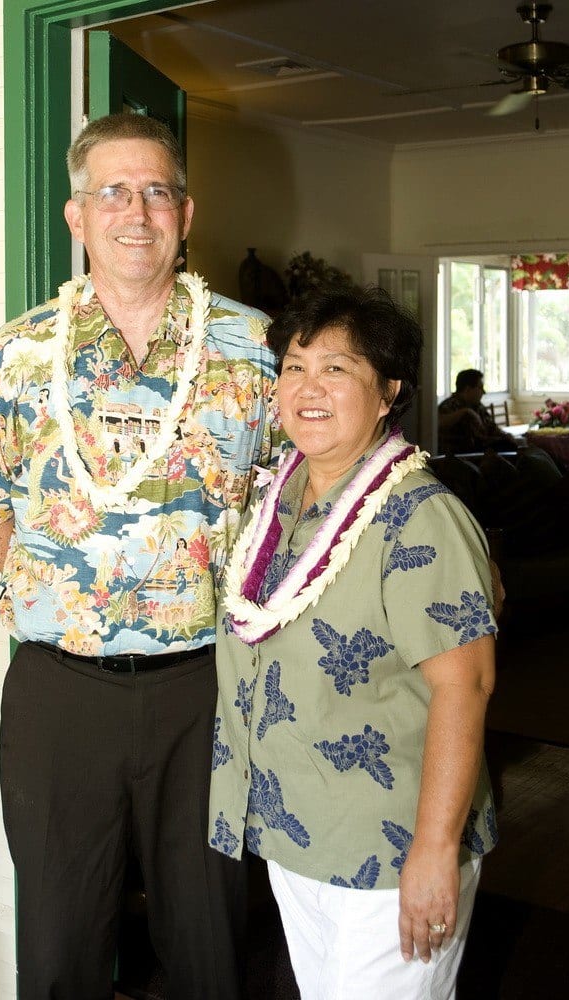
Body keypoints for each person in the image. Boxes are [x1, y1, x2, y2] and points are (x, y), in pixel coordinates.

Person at [0, 113, 282, 1000]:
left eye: (154, 191)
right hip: (60, 691)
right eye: (112, 191)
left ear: (187, 210)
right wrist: (62, 588)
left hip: (204, 685)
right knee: (61, 939)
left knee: (208, 931)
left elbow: (291, 497)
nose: (134, 212)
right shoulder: (19, 351)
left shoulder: (254, 347)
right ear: (76, 215)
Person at [209, 287, 498, 999]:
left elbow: (466, 685)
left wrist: (433, 852)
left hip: (389, 848)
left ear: (387, 392)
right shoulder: (277, 499)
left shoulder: (418, 516)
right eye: (294, 367)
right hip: (296, 830)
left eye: (337, 369)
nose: (307, 388)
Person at [438, 368, 515, 454]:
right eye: (480, 388)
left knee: (512, 445)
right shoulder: (448, 406)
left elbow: (492, 428)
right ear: (467, 390)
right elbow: (439, 424)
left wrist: (506, 435)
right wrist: (465, 411)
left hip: (483, 450)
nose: (483, 392)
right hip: (463, 456)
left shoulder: (478, 406)